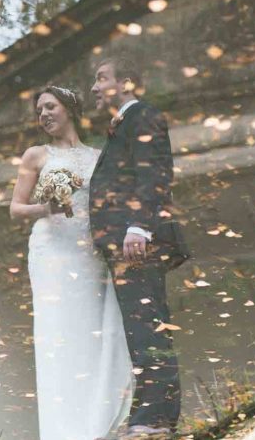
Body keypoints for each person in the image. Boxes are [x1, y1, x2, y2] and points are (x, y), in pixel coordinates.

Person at [10, 85, 134, 440]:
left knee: (95, 331)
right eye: (39, 111)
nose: (44, 115)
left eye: (50, 107)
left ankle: (102, 422)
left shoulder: (98, 156)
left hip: (89, 252)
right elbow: (16, 208)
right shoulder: (35, 155)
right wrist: (47, 206)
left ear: (70, 109)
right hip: (53, 254)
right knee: (59, 335)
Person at [89, 57, 189, 439]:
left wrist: (139, 227)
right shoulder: (121, 126)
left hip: (138, 242)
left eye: (102, 78)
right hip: (125, 244)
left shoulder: (143, 114)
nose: (95, 88)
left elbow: (155, 172)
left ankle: (155, 418)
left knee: (148, 326)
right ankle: (152, 414)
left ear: (127, 83)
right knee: (140, 327)